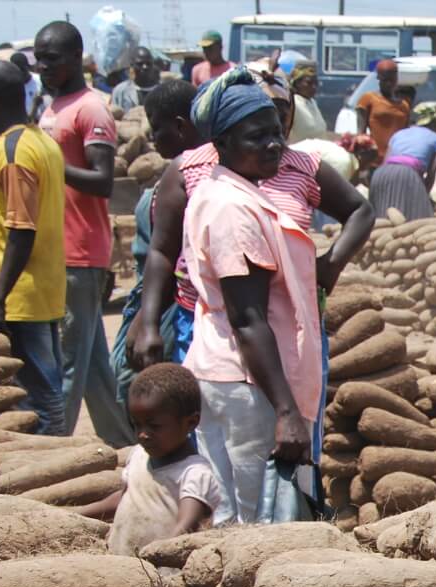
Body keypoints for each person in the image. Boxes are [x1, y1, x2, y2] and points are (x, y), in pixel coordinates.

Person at [131, 68, 374, 374]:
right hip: (205, 327)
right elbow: (162, 252)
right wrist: (148, 321)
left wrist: (330, 266)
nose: (273, 140)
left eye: (279, 120)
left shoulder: (304, 167)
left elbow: (360, 211)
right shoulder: (190, 171)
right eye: (257, 132)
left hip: (291, 327)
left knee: (293, 413)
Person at [182, 71, 321, 524]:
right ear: (221, 144)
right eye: (255, 136)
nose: (273, 145)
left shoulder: (234, 194)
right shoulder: (231, 208)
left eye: (277, 134)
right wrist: (287, 411)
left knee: (235, 517)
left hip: (235, 379)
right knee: (253, 522)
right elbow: (247, 318)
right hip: (246, 388)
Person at [34, 21, 135, 446]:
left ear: (77, 57)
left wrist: (48, 163)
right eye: (39, 59)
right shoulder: (52, 106)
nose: (43, 67)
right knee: (93, 366)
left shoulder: (90, 108)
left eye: (52, 59)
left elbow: (102, 180)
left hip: (79, 249)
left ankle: (53, 449)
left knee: (69, 360)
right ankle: (127, 446)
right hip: (57, 246)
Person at [0, 60, 68, 436]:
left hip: (21, 297)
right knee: (41, 392)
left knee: (39, 401)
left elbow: (21, 228)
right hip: (40, 290)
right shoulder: (40, 141)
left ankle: (56, 472)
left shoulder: (13, 152)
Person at [113, 80, 202, 410]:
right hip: (158, 299)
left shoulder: (187, 177)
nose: (151, 137)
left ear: (180, 126)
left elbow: (168, 256)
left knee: (135, 385)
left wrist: (147, 320)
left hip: (173, 302)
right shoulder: (175, 175)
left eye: (157, 127)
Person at [77, 363, 224, 555]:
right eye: (136, 425)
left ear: (190, 422)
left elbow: (186, 526)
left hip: (162, 573)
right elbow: (127, 498)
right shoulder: (138, 454)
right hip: (121, 564)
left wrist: (156, 555)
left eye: (154, 426)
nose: (143, 434)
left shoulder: (195, 474)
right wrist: (77, 515)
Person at [371, 103, 436, 222]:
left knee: (382, 215)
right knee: (416, 217)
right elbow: (431, 174)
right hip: (407, 173)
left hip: (380, 174)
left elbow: (386, 160)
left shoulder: (399, 134)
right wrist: (424, 195)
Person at [357, 60, 411, 159]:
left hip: (398, 159)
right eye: (385, 80)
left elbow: (406, 135)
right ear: (379, 79)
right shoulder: (368, 99)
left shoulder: (404, 105)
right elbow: (360, 134)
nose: (389, 84)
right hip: (375, 159)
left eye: (392, 80)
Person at [111, 47, 162, 112]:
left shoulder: (163, 91)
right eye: (140, 64)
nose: (145, 67)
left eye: (148, 63)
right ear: (132, 65)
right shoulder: (120, 91)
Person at [288, 62, 327, 144]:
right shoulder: (292, 103)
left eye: (316, 83)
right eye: (309, 83)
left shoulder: (312, 102)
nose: (314, 87)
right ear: (297, 83)